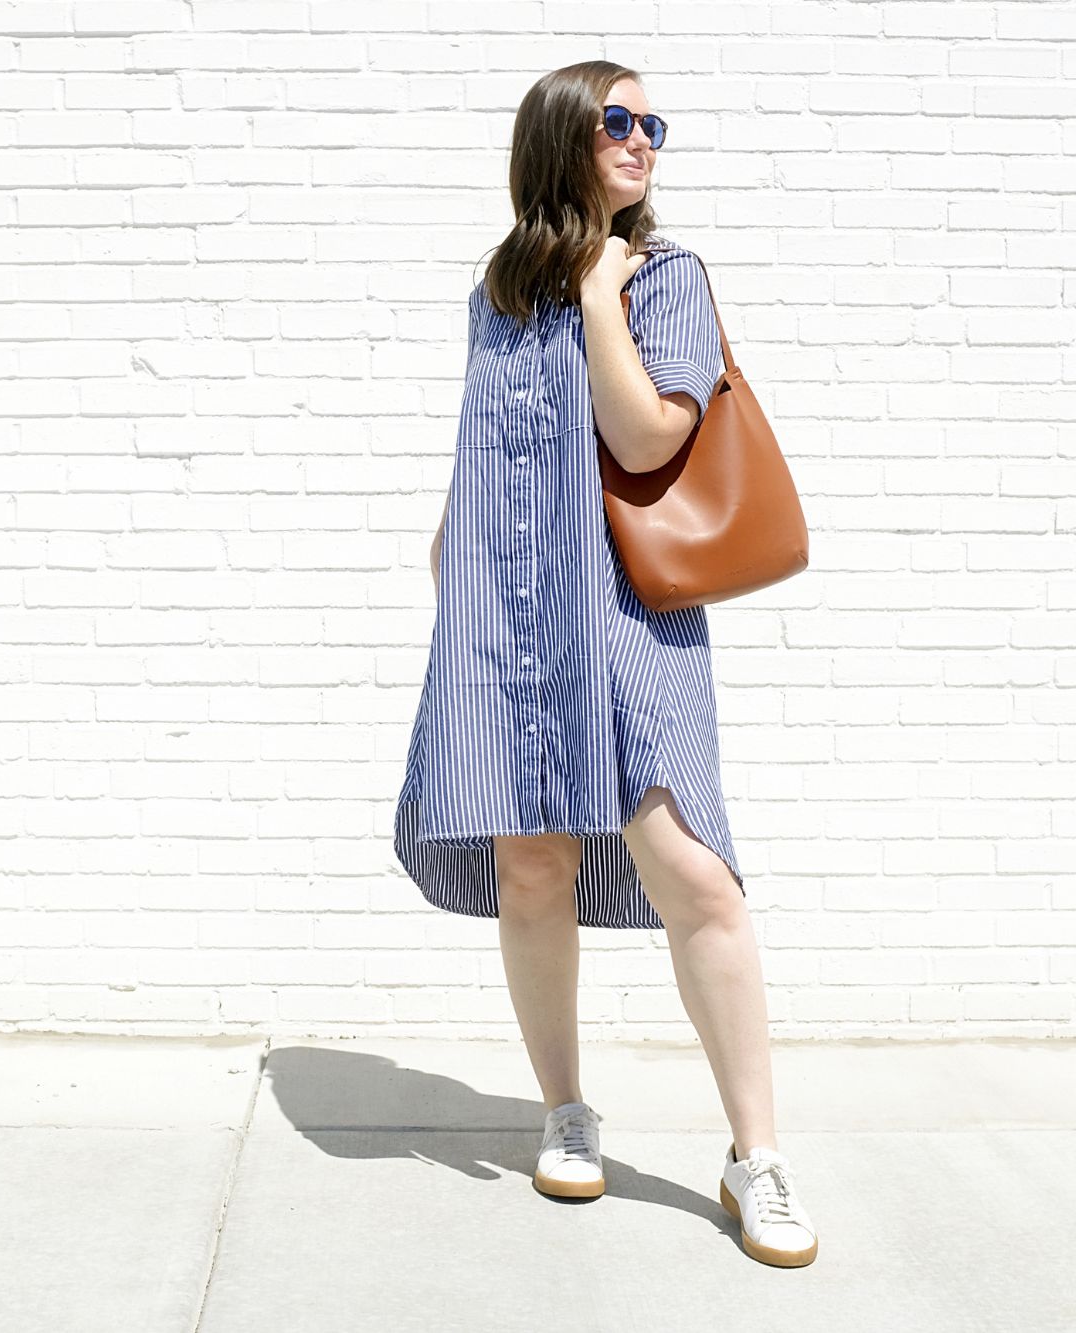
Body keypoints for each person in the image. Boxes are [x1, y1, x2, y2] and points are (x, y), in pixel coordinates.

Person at [390, 60, 819, 1269]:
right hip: (505, 617)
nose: (641, 141)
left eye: (651, 124)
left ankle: (755, 1156)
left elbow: (646, 434)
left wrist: (594, 296)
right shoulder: (494, 291)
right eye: (616, 122)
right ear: (561, 140)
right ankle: (564, 1109)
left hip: (625, 621)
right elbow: (485, 446)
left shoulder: (661, 278)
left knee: (695, 878)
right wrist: (447, 570)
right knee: (531, 865)